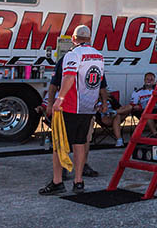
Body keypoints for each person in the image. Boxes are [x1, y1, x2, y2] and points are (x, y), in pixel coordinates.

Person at [39, 25, 108, 195]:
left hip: (70, 106)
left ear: (73, 39)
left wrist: (58, 99)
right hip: (88, 107)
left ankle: (57, 181)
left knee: (59, 145)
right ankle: (78, 181)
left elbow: (69, 76)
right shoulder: (99, 56)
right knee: (80, 144)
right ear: (90, 39)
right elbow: (100, 83)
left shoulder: (73, 54)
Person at [129, 72, 157, 138]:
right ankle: (156, 135)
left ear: (154, 81)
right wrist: (138, 107)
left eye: (151, 79)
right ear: (144, 80)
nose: (149, 81)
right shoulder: (138, 92)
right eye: (147, 79)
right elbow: (133, 106)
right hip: (144, 111)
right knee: (147, 114)